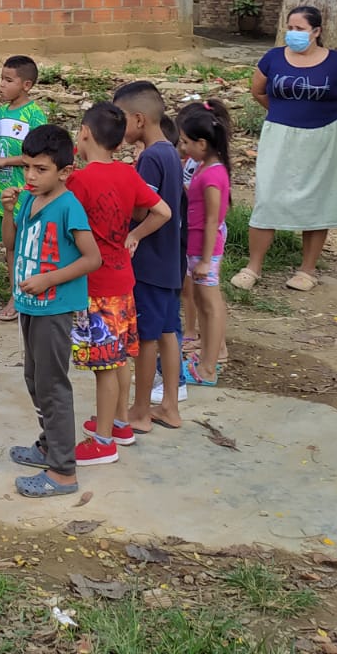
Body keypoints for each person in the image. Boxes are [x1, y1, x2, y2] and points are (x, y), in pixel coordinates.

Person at [233, 6, 337, 293]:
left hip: (324, 139)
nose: (293, 34)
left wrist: (319, 116)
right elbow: (258, 91)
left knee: (318, 200)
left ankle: (307, 270)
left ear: (316, 31)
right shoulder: (273, 58)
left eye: (300, 29)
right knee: (268, 198)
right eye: (290, 28)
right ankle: (253, 267)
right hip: (279, 137)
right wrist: (284, 114)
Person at [2, 124, 101, 498]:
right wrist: (8, 212)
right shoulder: (30, 200)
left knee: (53, 386)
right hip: (31, 304)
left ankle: (62, 471)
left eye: (40, 169)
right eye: (27, 167)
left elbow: (92, 258)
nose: (30, 176)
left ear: (64, 172)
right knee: (35, 379)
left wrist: (49, 279)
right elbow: (11, 243)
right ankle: (48, 446)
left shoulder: (68, 207)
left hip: (53, 308)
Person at [68, 103, 169, 463]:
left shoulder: (79, 181)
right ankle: (120, 423)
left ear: (84, 133)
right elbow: (163, 211)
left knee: (104, 367)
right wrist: (134, 235)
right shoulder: (128, 174)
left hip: (95, 286)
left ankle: (103, 441)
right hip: (123, 280)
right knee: (119, 358)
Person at [114, 82, 185, 431]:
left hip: (150, 263)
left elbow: (145, 211)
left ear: (139, 119)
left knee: (145, 339)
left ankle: (140, 411)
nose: (117, 127)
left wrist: (133, 234)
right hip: (170, 261)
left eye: (121, 119)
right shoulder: (170, 151)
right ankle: (169, 406)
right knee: (168, 332)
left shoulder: (151, 158)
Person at [0, 56, 48, 322]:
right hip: (1, 192)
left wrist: (3, 161)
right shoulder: (1, 112)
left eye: (8, 80)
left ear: (26, 85)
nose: (1, 85)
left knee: (27, 248)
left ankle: (27, 295)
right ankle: (15, 293)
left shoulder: (34, 115)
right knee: (9, 246)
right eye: (1, 79)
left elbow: (40, 155)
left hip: (25, 193)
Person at [179, 110, 232, 387]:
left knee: (210, 305)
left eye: (186, 142)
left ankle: (209, 367)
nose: (183, 147)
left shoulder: (213, 174)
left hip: (204, 249)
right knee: (202, 302)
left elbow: (213, 219)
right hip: (196, 246)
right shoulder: (203, 167)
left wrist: (205, 260)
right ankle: (206, 360)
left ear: (202, 143)